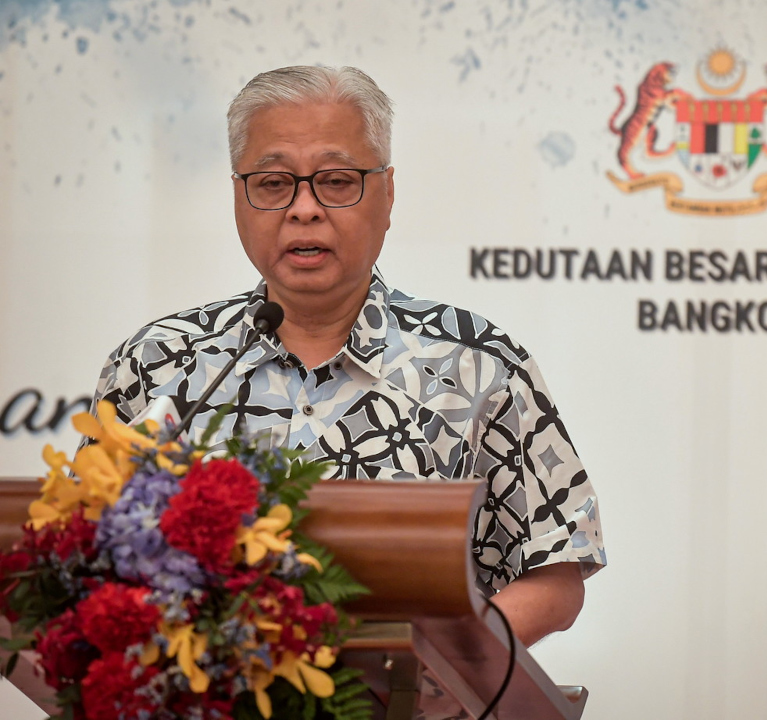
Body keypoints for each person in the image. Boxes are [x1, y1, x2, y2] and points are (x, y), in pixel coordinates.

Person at [91, 65, 604, 648]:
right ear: (239, 196)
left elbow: (556, 572)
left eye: (336, 181)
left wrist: (443, 667)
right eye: (273, 183)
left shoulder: (476, 365)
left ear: (387, 193)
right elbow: (82, 555)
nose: (304, 208)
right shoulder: (158, 363)